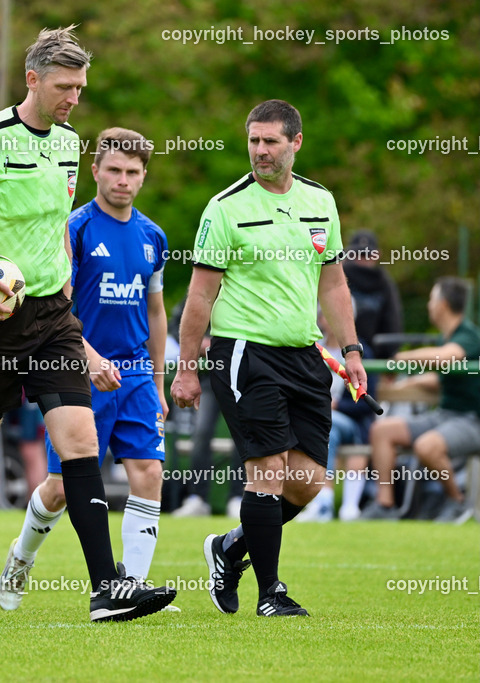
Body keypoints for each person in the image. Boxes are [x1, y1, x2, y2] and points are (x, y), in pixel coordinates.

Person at [0, 27, 176, 621]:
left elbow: (55, 225)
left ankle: (107, 592)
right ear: (32, 80)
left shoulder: (67, 143)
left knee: (81, 443)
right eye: (64, 86)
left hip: (54, 319)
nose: (73, 98)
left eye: (81, 88)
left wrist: (62, 277)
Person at [171, 99, 366, 617]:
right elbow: (199, 297)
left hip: (306, 355)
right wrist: (187, 369)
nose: (260, 150)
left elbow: (334, 283)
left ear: (295, 142)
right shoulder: (225, 207)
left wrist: (351, 351)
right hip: (243, 352)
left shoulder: (321, 202)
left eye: (270, 141)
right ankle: (271, 593)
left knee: (306, 482)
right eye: (253, 140)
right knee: (267, 469)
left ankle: (230, 548)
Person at [0, 126, 179, 613]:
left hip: (137, 373)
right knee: (59, 489)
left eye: (133, 172)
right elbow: (61, 306)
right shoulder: (74, 228)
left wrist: (158, 381)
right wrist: (89, 357)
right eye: (114, 170)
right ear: (95, 171)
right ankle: (21, 556)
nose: (122, 180)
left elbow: (156, 311)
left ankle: (130, 588)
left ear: (143, 177)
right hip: (79, 370)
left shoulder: (153, 236)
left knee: (148, 472)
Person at [361, 276, 480, 524]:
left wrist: (401, 357)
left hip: (470, 421)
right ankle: (384, 505)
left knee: (427, 446)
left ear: (443, 303)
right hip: (444, 416)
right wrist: (405, 383)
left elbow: (447, 358)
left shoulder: (467, 335)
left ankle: (457, 502)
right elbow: (439, 378)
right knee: (382, 431)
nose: (428, 305)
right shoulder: (445, 337)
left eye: (431, 299)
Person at [296, 306, 376, 522]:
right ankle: (312, 500)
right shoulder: (313, 350)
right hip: (313, 418)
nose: (329, 320)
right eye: (326, 315)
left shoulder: (361, 353)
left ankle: (328, 500)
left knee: (326, 426)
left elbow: (367, 401)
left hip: (352, 422)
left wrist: (336, 406)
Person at [168, 297, 244, 519]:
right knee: (201, 433)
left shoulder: (245, 284)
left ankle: (237, 498)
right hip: (209, 378)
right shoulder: (199, 286)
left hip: (242, 377)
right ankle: (197, 499)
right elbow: (176, 325)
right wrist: (198, 342)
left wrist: (219, 344)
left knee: (242, 435)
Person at [343, 230, 403, 359]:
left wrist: (389, 356)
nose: (363, 260)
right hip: (339, 351)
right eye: (359, 254)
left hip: (373, 354)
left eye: (367, 255)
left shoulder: (384, 283)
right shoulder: (337, 281)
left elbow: (392, 321)